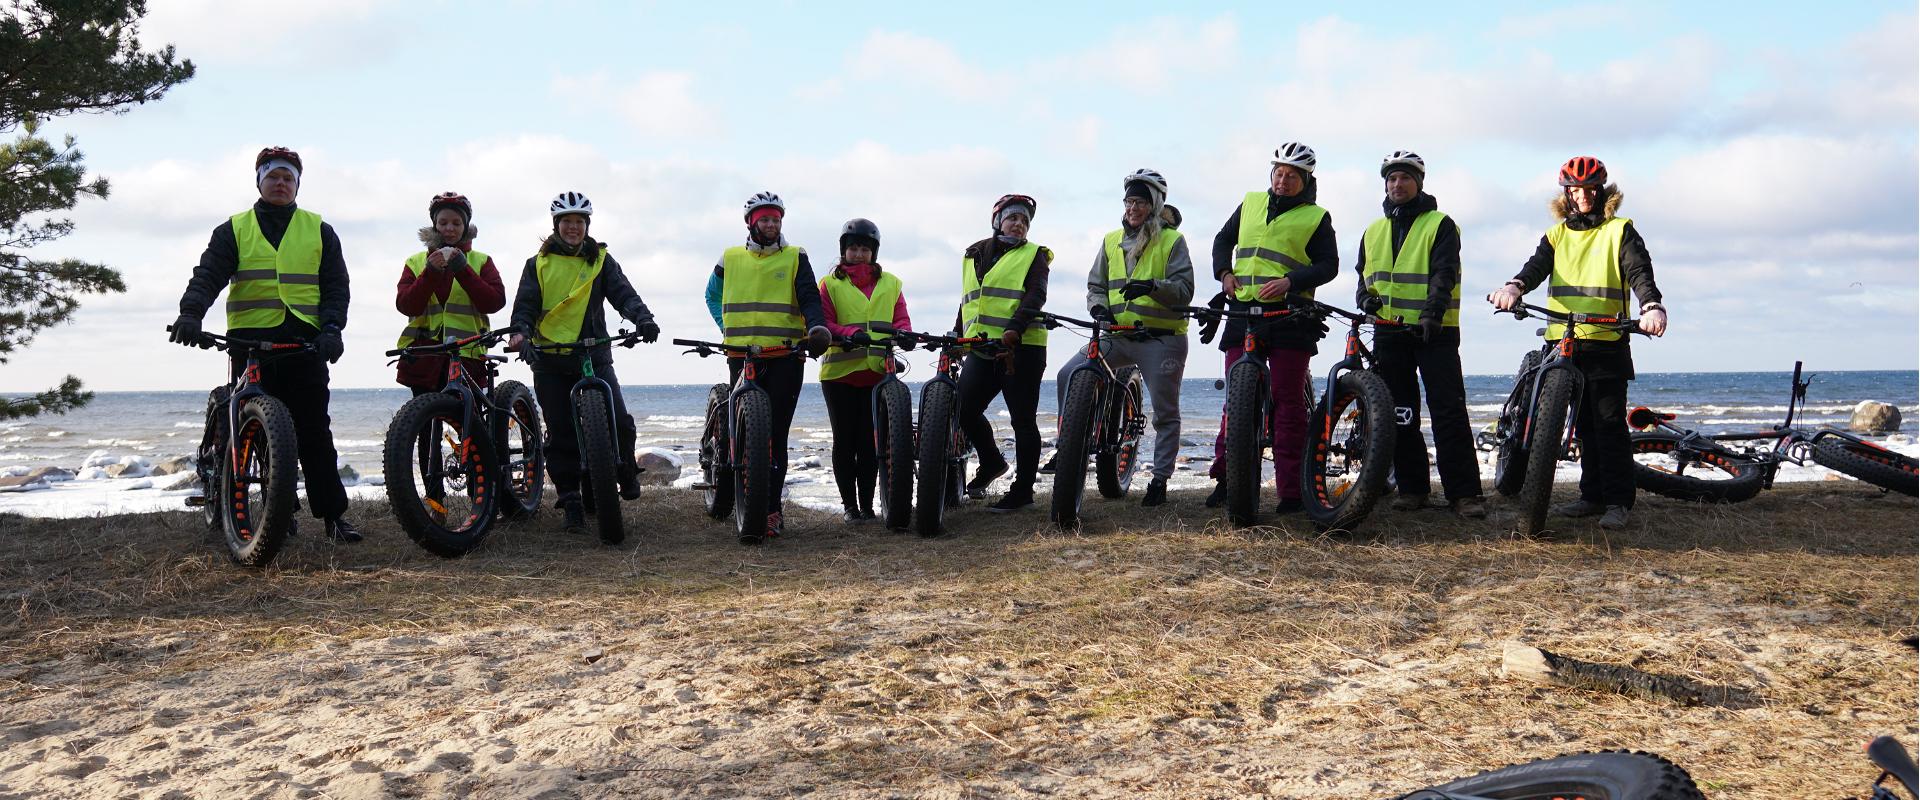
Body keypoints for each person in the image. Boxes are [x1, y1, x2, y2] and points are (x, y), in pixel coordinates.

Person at [168, 146, 361, 542]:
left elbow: (335, 288)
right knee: (255, 432)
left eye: (288, 178)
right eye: (273, 176)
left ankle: (333, 517)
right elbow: (208, 276)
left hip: (304, 344)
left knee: (314, 432)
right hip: (250, 343)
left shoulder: (319, 230)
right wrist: (191, 314)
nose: (280, 183)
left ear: (297, 185)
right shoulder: (234, 229)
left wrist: (331, 330)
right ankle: (280, 512)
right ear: (259, 181)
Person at [1488, 156, 1667, 531]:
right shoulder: (1556, 235)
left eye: (1589, 190)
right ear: (1566, 194)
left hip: (1605, 341)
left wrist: (1651, 305)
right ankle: (1591, 495)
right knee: (1583, 425)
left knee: (1608, 424)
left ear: (1601, 191)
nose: (1582, 196)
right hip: (1562, 342)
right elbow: (1534, 268)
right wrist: (1513, 287)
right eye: (1575, 190)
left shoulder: (1620, 231)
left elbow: (1638, 272)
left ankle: (1618, 501)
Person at [507, 191, 660, 535]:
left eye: (579, 222)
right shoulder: (537, 265)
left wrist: (643, 319)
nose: (573, 228)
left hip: (593, 354)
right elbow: (526, 307)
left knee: (620, 421)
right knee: (561, 432)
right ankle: (571, 500)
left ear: (587, 225)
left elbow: (624, 294)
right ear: (556, 226)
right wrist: (521, 334)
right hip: (550, 359)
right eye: (567, 222)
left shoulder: (601, 261)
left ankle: (624, 471)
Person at [1203, 142, 1339, 514]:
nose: (1283, 180)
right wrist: (1224, 273)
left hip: (1290, 317)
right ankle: (1226, 480)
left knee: (1287, 401)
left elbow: (1329, 265)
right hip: (1244, 311)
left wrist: (1291, 281)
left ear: (1306, 180)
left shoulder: (1316, 217)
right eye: (1279, 173)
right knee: (1235, 399)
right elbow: (1222, 240)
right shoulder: (1250, 202)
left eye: (1292, 175)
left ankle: (1292, 491)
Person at [1354, 152, 1488, 519]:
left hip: (1434, 332)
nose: (1397, 185)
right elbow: (1363, 277)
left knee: (1447, 411)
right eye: (1392, 179)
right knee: (1401, 413)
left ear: (1419, 183)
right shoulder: (1373, 230)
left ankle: (1465, 494)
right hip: (1389, 332)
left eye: (1405, 178)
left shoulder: (1440, 224)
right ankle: (1413, 489)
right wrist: (1364, 298)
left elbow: (1444, 273)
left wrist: (1433, 312)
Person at [1048, 169, 1193, 507]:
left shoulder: (1173, 241)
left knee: (1165, 411)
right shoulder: (1111, 239)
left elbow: (1185, 291)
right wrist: (1099, 309)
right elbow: (1096, 285)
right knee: (1068, 373)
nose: (1132, 207)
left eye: (1140, 201)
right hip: (1117, 335)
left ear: (1154, 204)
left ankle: (1159, 479)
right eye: (1129, 201)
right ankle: (1067, 445)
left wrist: (1154, 287)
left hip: (1161, 338)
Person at [702, 191, 831, 538]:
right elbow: (712, 294)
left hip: (786, 356)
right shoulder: (729, 258)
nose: (771, 224)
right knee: (738, 431)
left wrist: (817, 328)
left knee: (775, 435)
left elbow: (808, 296)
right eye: (765, 219)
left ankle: (771, 508)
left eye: (776, 219)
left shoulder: (794, 255)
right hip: (740, 355)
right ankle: (733, 484)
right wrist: (724, 326)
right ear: (751, 223)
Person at [954, 194, 1051, 512]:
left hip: (1021, 348)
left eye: (1024, 221)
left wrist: (1015, 328)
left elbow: (1035, 295)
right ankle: (993, 461)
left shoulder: (1035, 255)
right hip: (981, 347)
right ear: (998, 221)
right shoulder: (973, 254)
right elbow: (970, 299)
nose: (1019, 225)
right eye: (1013, 218)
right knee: (963, 410)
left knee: (1023, 420)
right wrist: (958, 336)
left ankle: (1023, 491)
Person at [818, 218, 914, 523]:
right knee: (844, 442)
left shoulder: (892, 283)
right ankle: (849, 507)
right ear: (844, 251)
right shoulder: (829, 284)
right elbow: (824, 323)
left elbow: (901, 319)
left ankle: (868, 506)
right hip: (840, 376)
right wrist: (847, 333)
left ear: (873, 252)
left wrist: (906, 334)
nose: (858, 254)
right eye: (853, 248)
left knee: (869, 442)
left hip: (877, 374)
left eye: (864, 249)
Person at [394, 192, 506, 393]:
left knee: (470, 421)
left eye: (456, 223)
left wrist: (463, 270)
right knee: (420, 420)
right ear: (434, 225)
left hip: (468, 355)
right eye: (443, 223)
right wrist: (430, 273)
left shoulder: (481, 261)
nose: (449, 229)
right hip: (425, 355)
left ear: (465, 227)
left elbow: (495, 302)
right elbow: (405, 305)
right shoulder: (415, 262)